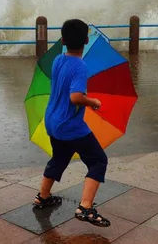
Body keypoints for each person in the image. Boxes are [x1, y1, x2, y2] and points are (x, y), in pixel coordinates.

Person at [32, 19, 110, 227]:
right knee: (98, 161)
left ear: (63, 40)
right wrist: (92, 101)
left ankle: (43, 196)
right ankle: (85, 207)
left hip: (53, 121)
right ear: (86, 39)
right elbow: (75, 97)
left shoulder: (58, 59)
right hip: (70, 126)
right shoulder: (80, 67)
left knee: (59, 158)